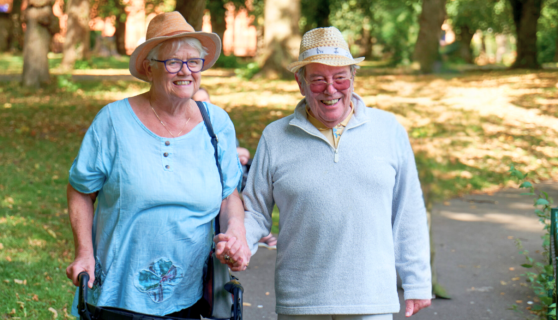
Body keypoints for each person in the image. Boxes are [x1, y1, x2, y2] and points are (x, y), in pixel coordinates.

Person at [237, 27, 432, 320]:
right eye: (318, 80)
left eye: (340, 77)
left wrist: (417, 281)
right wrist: (239, 245)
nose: (331, 89)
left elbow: (408, 211)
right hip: (301, 300)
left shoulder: (388, 130)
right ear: (300, 83)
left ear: (353, 79)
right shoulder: (275, 136)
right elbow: (255, 210)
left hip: (370, 299)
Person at [65, 11, 250, 318]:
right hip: (116, 294)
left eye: (194, 61)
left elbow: (229, 192)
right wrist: (84, 253)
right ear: (149, 68)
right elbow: (80, 189)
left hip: (189, 295)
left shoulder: (216, 123)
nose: (186, 71)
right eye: (173, 62)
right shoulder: (113, 121)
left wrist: (237, 231)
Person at [193, 87, 278, 249]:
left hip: (234, 179)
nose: (204, 104)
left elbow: (241, 154)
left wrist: (237, 154)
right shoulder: (194, 131)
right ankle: (257, 233)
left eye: (206, 100)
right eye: (198, 101)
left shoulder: (218, 125)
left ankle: (254, 232)